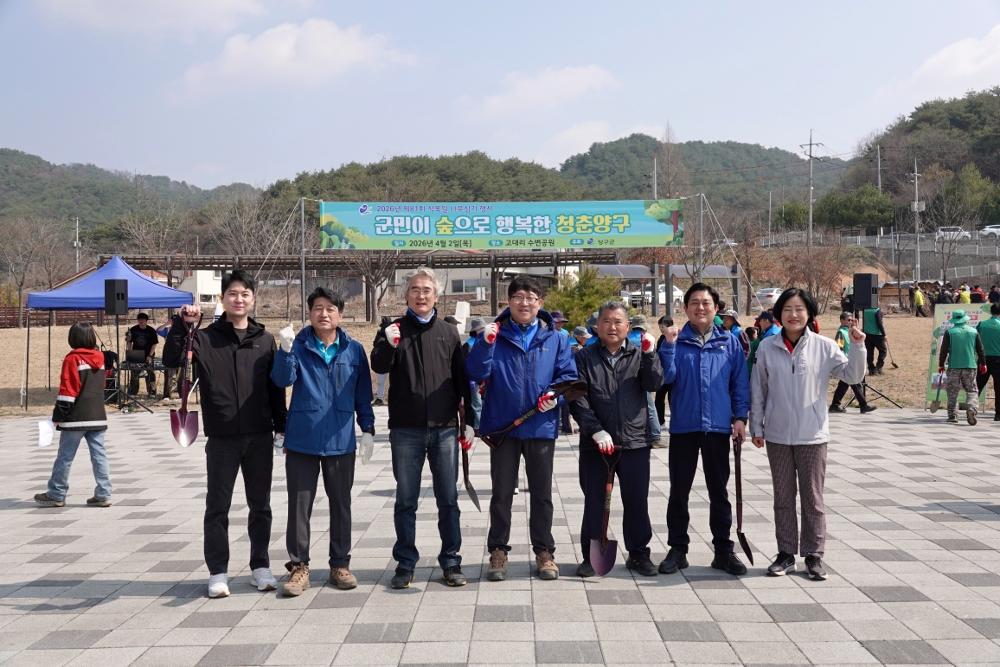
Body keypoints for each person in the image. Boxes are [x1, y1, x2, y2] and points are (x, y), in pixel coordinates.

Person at [164, 270, 287, 599]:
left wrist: (282, 426)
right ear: (223, 299)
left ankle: (260, 566)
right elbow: (172, 359)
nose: (239, 299)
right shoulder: (205, 338)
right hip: (222, 436)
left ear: (253, 298)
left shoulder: (264, 340)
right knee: (217, 506)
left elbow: (275, 388)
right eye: (233, 293)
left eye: (245, 293)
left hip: (259, 435)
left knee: (260, 505)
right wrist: (182, 325)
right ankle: (218, 572)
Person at [466, 275, 577, 582]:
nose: (524, 303)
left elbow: (568, 376)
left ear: (540, 303)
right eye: (518, 297)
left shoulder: (556, 338)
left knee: (542, 494)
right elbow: (474, 372)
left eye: (531, 298)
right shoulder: (494, 334)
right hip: (503, 427)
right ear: (509, 301)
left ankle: (544, 552)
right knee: (501, 494)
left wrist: (555, 396)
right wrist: (486, 344)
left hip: (540, 425)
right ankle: (498, 551)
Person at [751, 288, 866, 581]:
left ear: (809, 313)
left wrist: (858, 347)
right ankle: (786, 554)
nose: (794, 314)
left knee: (813, 498)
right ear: (779, 314)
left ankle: (814, 555)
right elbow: (758, 389)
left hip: (812, 435)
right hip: (777, 435)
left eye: (800, 309)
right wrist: (756, 426)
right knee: (783, 497)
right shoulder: (767, 347)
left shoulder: (824, 346)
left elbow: (852, 376)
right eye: (788, 309)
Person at [370, 266, 473, 589]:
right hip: (406, 429)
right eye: (415, 289)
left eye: (427, 290)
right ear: (406, 295)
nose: (421, 295)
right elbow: (378, 365)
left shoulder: (449, 333)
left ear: (437, 296)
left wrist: (470, 422)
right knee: (406, 500)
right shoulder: (393, 329)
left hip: (444, 428)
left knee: (448, 499)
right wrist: (388, 344)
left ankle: (451, 561)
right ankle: (405, 563)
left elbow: (463, 381)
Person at [270, 288, 375, 596]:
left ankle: (340, 564)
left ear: (340, 314)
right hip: (302, 439)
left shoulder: (354, 350)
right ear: (310, 313)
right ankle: (299, 567)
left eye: (330, 308)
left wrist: (368, 429)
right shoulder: (298, 346)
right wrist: (285, 350)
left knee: (341, 504)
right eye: (318, 308)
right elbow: (282, 380)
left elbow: (363, 394)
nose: (324, 313)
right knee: (299, 506)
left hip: (340, 439)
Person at [657, 283, 750, 576]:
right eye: (694, 303)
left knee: (719, 491)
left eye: (706, 303)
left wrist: (740, 417)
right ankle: (678, 549)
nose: (700, 308)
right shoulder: (674, 340)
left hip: (718, 427)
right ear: (685, 308)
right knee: (679, 491)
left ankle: (723, 550)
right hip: (684, 426)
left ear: (716, 308)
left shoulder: (729, 342)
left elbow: (739, 383)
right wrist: (668, 346)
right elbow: (665, 379)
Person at [571, 302, 663, 577]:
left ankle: (639, 553)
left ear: (628, 326)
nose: (612, 327)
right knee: (595, 501)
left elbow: (654, 384)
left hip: (634, 441)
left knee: (636, 500)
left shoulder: (639, 353)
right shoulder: (584, 357)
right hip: (596, 444)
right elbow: (577, 397)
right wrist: (595, 430)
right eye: (607, 321)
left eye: (618, 321)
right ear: (597, 326)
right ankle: (591, 555)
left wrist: (650, 355)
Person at [34, 322, 112, 508]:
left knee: (65, 457)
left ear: (73, 338)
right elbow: (102, 386)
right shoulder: (101, 358)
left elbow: (68, 391)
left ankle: (56, 493)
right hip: (97, 415)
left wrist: (57, 416)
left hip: (75, 418)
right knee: (99, 456)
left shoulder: (72, 359)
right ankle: (104, 494)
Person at [938, 309, 986, 425]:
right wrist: (983, 363)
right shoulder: (973, 331)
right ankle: (971, 409)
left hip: (954, 366)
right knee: (972, 390)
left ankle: (953, 415)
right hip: (970, 366)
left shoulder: (949, 332)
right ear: (965, 319)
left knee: (952, 391)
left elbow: (944, 350)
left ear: (954, 319)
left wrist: (941, 364)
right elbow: (980, 349)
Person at [829, 312, 877, 414]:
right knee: (855, 382)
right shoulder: (841, 332)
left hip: (852, 361)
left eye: (851, 320)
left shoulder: (849, 331)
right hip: (846, 361)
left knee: (845, 383)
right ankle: (863, 405)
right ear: (842, 320)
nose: (850, 322)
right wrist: (843, 359)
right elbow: (839, 347)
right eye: (848, 320)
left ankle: (835, 405)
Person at [126, 312, 158, 397]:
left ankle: (152, 392)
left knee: (150, 373)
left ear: (146, 321)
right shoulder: (133, 329)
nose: (141, 322)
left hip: (148, 354)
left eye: (143, 320)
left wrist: (150, 355)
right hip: (136, 354)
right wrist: (130, 352)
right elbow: (129, 342)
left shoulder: (151, 330)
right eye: (139, 320)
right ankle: (133, 392)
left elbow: (154, 344)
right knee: (134, 374)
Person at [977, 303, 1000, 422]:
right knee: (998, 388)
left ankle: (971, 409)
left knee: (978, 386)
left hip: (983, 359)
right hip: (998, 360)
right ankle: (998, 414)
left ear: (990, 312)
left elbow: (976, 340)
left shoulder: (981, 324)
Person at [463, 318, 487, 430]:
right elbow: (465, 365)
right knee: (477, 405)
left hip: (484, 380)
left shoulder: (484, 342)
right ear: (475, 331)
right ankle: (478, 428)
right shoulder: (468, 344)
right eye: (481, 329)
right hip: (473, 381)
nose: (484, 331)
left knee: (483, 404)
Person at [653, 315, 675, 431]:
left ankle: (675, 422)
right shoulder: (662, 338)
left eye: (662, 327)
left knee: (673, 400)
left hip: (673, 374)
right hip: (662, 374)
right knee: (659, 399)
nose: (661, 329)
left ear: (669, 326)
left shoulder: (677, 338)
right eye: (660, 327)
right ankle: (661, 422)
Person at [860, 304, 888, 375]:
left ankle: (871, 369)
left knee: (869, 352)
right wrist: (884, 334)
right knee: (883, 351)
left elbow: (864, 321)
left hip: (867, 334)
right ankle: (878, 368)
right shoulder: (877, 311)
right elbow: (879, 323)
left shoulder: (865, 310)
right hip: (877, 334)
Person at [372, 316, 392, 407]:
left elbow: (375, 344)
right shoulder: (382, 332)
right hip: (384, 360)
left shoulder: (384, 333)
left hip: (385, 361)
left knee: (382, 382)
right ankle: (380, 398)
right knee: (384, 382)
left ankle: (381, 398)